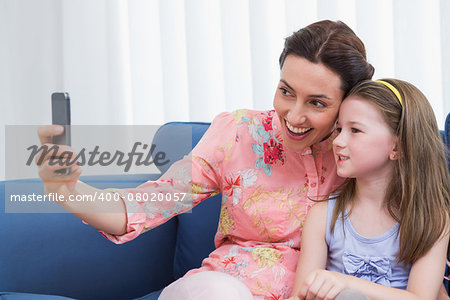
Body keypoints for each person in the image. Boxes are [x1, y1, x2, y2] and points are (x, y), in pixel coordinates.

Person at [36, 20, 375, 299]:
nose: (294, 115)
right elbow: (147, 204)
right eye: (286, 91)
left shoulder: (365, 152)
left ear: (349, 102)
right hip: (220, 290)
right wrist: (67, 190)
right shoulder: (238, 134)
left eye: (317, 103)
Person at [289, 79, 450, 300]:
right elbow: (301, 295)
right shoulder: (323, 215)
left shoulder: (431, 220)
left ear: (397, 146)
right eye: (339, 129)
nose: (338, 141)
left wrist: (345, 282)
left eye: (355, 130)